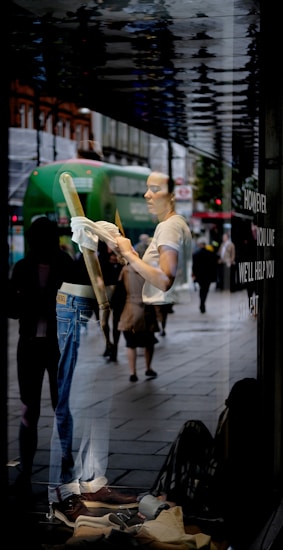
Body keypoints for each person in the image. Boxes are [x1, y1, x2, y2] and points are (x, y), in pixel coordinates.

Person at [48, 243, 137, 528]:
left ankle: (91, 481)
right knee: (70, 402)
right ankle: (62, 491)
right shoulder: (87, 246)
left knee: (97, 402)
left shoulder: (105, 253)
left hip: (95, 305)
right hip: (79, 305)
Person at [7, 216, 75, 496]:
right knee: (30, 407)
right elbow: (12, 307)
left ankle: (62, 463)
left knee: (57, 407)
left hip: (56, 346)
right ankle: (29, 467)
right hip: (32, 345)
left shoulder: (65, 265)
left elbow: (79, 305)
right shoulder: (23, 268)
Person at [115, 171, 191, 321]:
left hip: (155, 306)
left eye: (155, 189)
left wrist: (128, 255)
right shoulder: (177, 223)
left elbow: (164, 281)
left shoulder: (168, 226)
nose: (146, 195)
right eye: (147, 188)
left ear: (172, 196)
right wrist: (135, 257)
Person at [117, 263, 159, 382]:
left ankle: (132, 372)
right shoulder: (150, 270)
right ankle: (148, 368)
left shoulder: (125, 270)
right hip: (147, 310)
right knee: (149, 342)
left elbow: (119, 292)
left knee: (131, 343)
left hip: (130, 309)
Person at [97, 240, 124, 361]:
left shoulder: (122, 259)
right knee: (103, 323)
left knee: (116, 324)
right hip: (104, 295)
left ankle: (115, 350)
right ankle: (108, 344)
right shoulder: (101, 259)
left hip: (119, 296)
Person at [191, 236, 218, 313]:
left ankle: (202, 302)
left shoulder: (195, 254)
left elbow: (194, 266)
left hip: (200, 276)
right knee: (205, 290)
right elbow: (214, 264)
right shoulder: (210, 253)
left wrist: (194, 274)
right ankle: (203, 302)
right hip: (208, 276)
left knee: (202, 289)